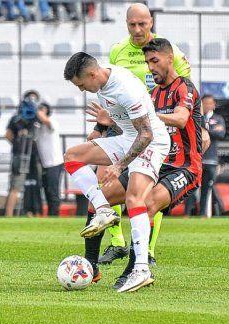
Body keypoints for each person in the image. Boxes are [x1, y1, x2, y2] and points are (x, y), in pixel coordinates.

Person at [83, 38, 205, 290]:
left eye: (154, 61)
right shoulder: (152, 94)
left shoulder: (186, 88)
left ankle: (134, 271)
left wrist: (145, 114)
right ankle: (90, 265)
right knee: (98, 199)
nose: (150, 67)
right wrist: (106, 125)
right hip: (152, 161)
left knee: (145, 204)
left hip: (183, 167)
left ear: (170, 59)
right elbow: (134, 126)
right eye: (147, 62)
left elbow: (181, 119)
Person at [63, 52, 171, 293]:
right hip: (128, 138)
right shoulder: (102, 81)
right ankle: (103, 210)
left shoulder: (125, 88)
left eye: (81, 85)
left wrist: (120, 165)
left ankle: (141, 269)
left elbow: (146, 134)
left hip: (152, 143)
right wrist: (101, 129)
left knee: (134, 197)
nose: (81, 90)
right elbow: (121, 118)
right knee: (72, 156)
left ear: (92, 74)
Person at [94, 3, 193, 266]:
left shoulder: (169, 52)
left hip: (156, 128)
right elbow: (107, 89)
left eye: (142, 24)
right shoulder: (118, 51)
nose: (137, 30)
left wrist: (200, 126)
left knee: (150, 183)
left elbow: (188, 90)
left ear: (151, 22)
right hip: (123, 124)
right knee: (103, 177)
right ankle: (116, 242)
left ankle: (146, 248)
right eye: (132, 25)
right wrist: (102, 127)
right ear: (126, 24)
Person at [4, 90, 42, 217]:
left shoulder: (38, 117)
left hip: (34, 156)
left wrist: (36, 112)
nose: (31, 101)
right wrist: (18, 141)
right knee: (16, 186)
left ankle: (32, 212)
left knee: (33, 186)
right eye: (29, 99)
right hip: (20, 156)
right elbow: (8, 135)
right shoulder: (16, 119)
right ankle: (8, 215)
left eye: (34, 99)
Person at [185, 94, 224, 216]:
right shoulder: (195, 117)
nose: (206, 105)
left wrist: (205, 130)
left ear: (214, 105)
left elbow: (221, 134)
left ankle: (202, 214)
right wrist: (210, 129)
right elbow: (193, 132)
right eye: (204, 103)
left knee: (206, 189)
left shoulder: (218, 118)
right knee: (190, 187)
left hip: (211, 160)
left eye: (209, 103)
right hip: (196, 159)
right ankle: (187, 214)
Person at [35, 102, 64, 216]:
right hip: (43, 162)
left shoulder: (52, 121)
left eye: (43, 109)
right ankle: (50, 215)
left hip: (54, 162)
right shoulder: (37, 126)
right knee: (46, 190)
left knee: (53, 191)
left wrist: (38, 112)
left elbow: (46, 121)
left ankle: (55, 214)